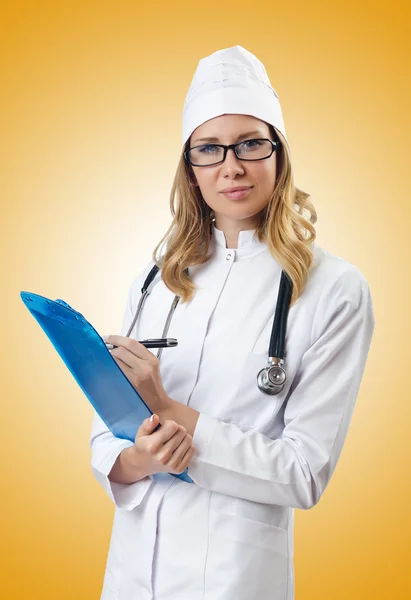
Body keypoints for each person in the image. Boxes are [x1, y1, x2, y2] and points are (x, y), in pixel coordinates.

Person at [89, 45, 375, 600]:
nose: (232, 166)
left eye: (250, 143)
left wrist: (171, 413)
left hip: (233, 575)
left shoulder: (334, 290)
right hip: (131, 570)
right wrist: (135, 460)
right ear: (190, 169)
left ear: (278, 155)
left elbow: (304, 473)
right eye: (209, 149)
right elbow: (107, 432)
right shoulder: (156, 278)